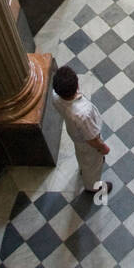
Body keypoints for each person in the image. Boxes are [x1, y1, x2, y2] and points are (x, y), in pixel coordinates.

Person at [51, 65, 111, 196]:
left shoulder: (56, 97)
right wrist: (102, 147)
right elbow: (91, 138)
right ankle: (93, 186)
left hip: (76, 135)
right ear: (77, 85)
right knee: (93, 164)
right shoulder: (83, 114)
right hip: (87, 143)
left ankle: (83, 168)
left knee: (83, 156)